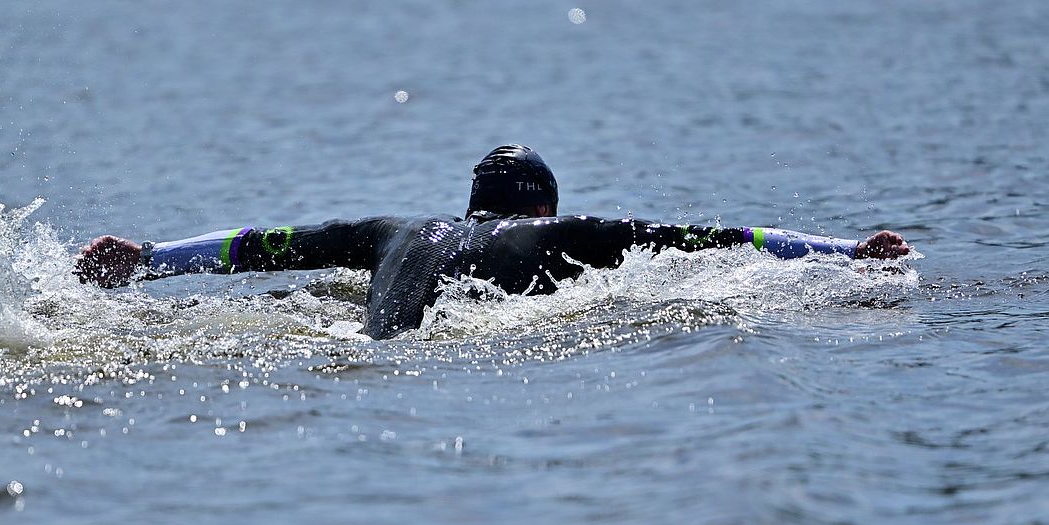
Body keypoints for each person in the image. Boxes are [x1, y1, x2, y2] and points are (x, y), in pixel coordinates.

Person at [76, 145, 910, 339]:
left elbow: (259, 243)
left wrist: (147, 258)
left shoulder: (392, 232)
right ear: (544, 207)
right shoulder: (580, 236)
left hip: (369, 341)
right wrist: (845, 252)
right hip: (463, 349)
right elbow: (727, 237)